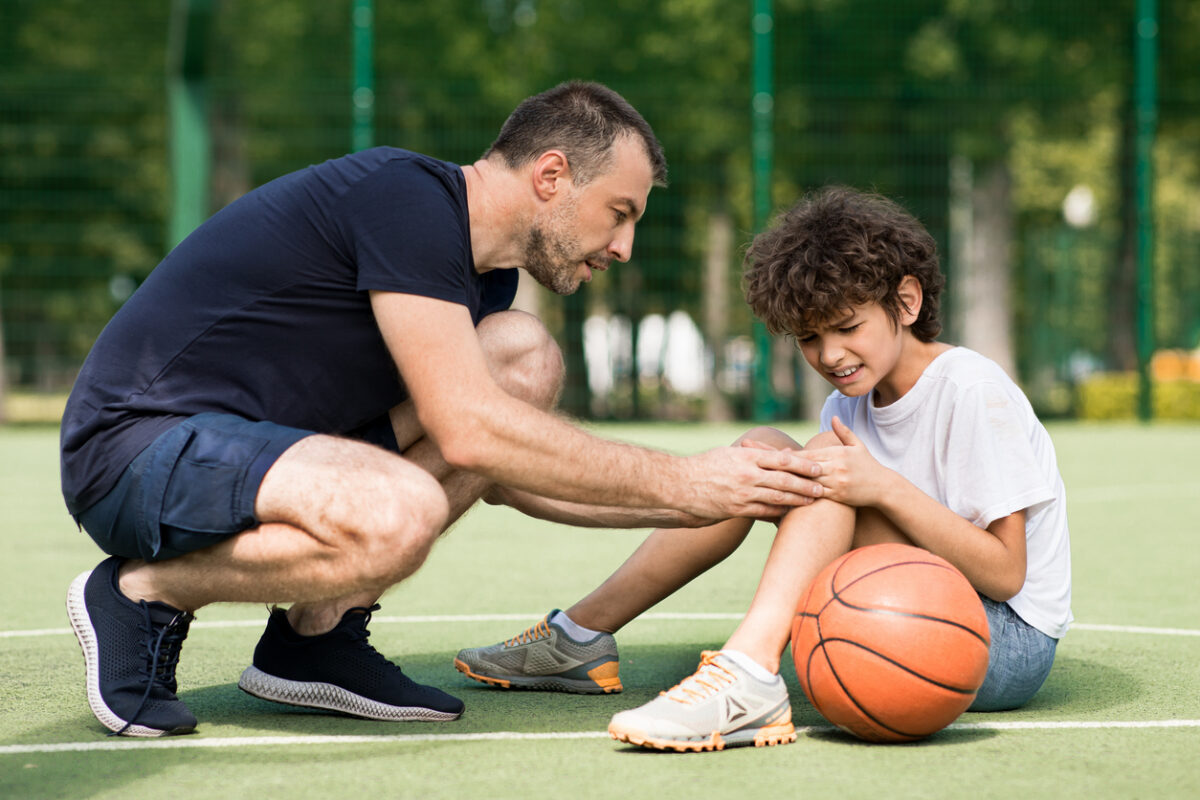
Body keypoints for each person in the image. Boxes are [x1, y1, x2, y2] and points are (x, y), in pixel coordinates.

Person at [60, 81, 826, 738]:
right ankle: (142, 593)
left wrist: (718, 499)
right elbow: (469, 431)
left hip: (261, 449)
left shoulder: (485, 279)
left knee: (521, 356)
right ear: (552, 175)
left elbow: (503, 470)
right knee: (401, 510)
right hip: (138, 448)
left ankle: (314, 638)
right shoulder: (407, 200)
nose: (623, 246)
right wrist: (685, 480)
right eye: (618, 212)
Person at [456, 186, 1072, 751]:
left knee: (820, 467)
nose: (830, 354)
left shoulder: (970, 389)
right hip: (908, 601)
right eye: (808, 338)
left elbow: (1006, 574)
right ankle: (580, 636)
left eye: (847, 327)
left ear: (906, 301)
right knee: (761, 452)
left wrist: (884, 488)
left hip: (1001, 640)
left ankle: (749, 673)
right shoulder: (847, 405)